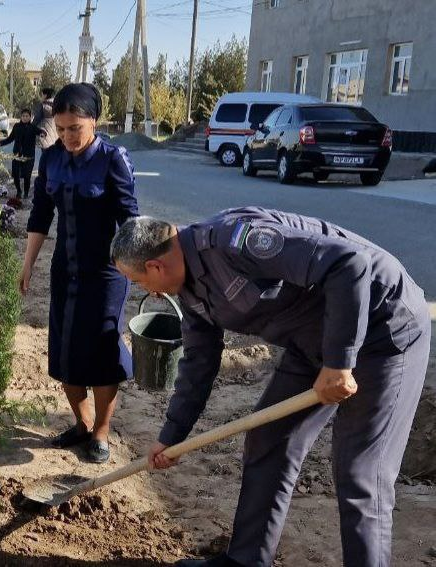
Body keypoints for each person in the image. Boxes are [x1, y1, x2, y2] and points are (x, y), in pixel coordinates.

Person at [110, 209, 430, 567]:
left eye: (137, 282)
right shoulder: (188, 292)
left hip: (383, 330)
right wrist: (171, 437)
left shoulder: (235, 241)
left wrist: (339, 362)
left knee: (361, 475)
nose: (146, 292)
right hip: (312, 341)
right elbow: (198, 364)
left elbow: (349, 262)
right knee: (268, 439)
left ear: (155, 267)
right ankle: (247, 560)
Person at [21, 83, 139, 464]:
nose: (68, 136)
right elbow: (40, 216)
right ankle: (82, 423)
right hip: (65, 272)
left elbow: (130, 221)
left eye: (76, 128)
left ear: (95, 121)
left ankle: (101, 432)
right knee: (65, 352)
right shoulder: (52, 159)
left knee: (104, 355)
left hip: (106, 276)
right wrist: (27, 266)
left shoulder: (112, 159)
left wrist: (142, 270)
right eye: (61, 127)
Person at [0, 108, 39, 199]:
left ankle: (26, 193)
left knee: (27, 176)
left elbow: (41, 132)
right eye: (23, 116)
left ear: (30, 117)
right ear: (21, 116)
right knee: (16, 175)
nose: (24, 118)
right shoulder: (16, 126)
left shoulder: (33, 128)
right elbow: (10, 139)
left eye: (27, 116)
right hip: (17, 155)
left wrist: (44, 133)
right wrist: (1, 143)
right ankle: (19, 191)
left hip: (29, 157)